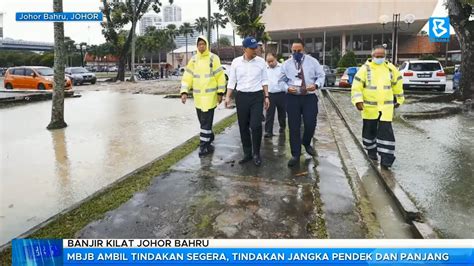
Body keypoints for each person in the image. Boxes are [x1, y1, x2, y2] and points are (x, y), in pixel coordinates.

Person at [351, 45, 405, 168]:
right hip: (369, 109)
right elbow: (356, 86)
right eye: (377, 56)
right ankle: (371, 151)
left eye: (382, 56)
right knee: (369, 132)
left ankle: (387, 159)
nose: (379, 58)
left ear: (385, 56)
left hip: (385, 109)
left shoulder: (391, 69)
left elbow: (397, 84)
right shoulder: (365, 69)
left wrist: (399, 99)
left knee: (386, 133)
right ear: (372, 56)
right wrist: (358, 101)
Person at [279, 38, 325, 167]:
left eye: (299, 50)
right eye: (294, 51)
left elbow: (321, 76)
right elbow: (281, 80)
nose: (296, 53)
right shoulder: (287, 64)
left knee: (310, 123)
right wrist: (287, 88)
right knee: (294, 126)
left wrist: (316, 85)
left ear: (303, 49)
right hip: (292, 97)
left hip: (309, 97)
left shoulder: (313, 62)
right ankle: (295, 154)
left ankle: (306, 142)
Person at [225, 36, 270, 166]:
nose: (255, 50)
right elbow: (232, 81)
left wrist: (266, 96)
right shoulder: (236, 62)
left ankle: (256, 153)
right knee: (243, 126)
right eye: (252, 48)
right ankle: (247, 153)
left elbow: (264, 80)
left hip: (257, 96)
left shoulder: (261, 62)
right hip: (242, 97)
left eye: (256, 47)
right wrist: (228, 96)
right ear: (244, 49)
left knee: (255, 125)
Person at [181, 36, 227, 157]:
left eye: (203, 44)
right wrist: (184, 92)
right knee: (203, 122)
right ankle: (209, 139)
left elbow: (220, 76)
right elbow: (187, 76)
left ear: (207, 45)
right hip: (198, 98)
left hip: (210, 97)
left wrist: (220, 92)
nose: (201, 46)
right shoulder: (194, 60)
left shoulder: (213, 58)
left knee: (205, 123)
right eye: (199, 44)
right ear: (197, 46)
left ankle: (203, 146)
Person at [264, 53, 287, 138]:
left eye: (272, 61)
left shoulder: (282, 67)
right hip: (270, 94)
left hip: (281, 94)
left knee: (282, 112)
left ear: (276, 58)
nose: (270, 63)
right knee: (269, 114)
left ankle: (282, 126)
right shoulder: (265, 69)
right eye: (268, 61)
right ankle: (268, 131)